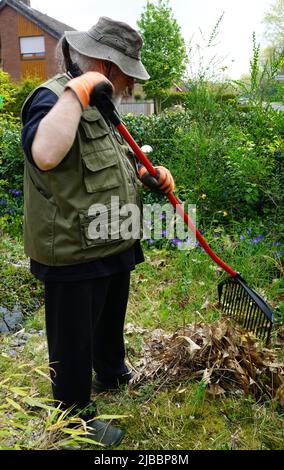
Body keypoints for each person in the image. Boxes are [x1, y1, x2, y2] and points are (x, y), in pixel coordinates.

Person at [21, 17, 174, 447]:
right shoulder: (52, 98)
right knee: (73, 338)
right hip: (72, 247)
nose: (129, 86)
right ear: (106, 66)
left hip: (112, 237)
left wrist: (150, 174)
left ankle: (111, 371)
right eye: (126, 75)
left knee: (110, 317)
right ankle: (74, 418)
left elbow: (110, 157)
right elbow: (47, 155)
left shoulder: (102, 103)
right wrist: (77, 89)